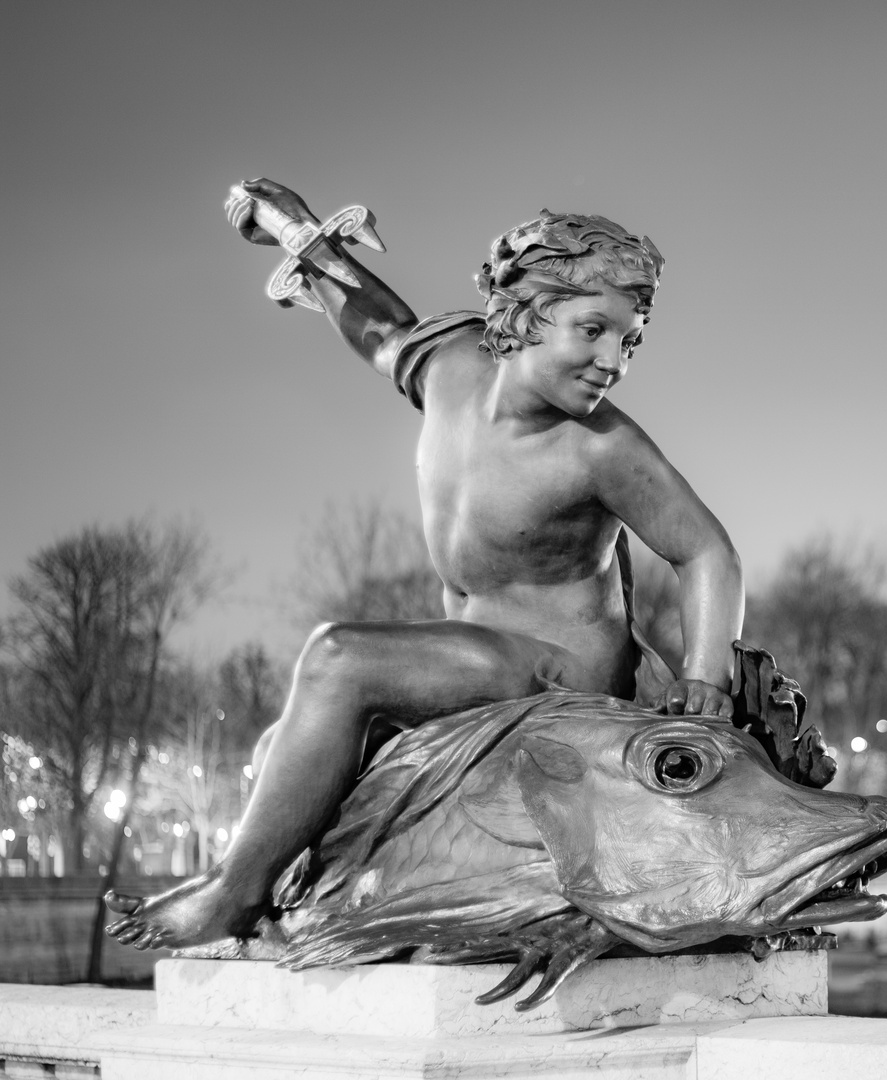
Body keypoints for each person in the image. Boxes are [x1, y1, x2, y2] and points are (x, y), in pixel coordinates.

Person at [108, 179, 743, 949]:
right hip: (478, 649)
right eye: (594, 329)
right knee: (283, 753)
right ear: (523, 318)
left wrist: (706, 682)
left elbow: (706, 551)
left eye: (630, 340)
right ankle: (295, 909)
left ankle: (230, 899)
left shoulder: (604, 448)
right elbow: (379, 329)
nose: (614, 360)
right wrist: (301, 239)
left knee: (339, 660)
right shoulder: (450, 366)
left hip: (563, 673)